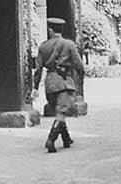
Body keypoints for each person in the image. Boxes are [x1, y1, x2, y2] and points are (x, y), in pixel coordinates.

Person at [32, 16, 84, 154]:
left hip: (50, 83)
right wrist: (80, 80)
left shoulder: (43, 46)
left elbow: (38, 70)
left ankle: (66, 139)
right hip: (64, 82)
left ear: (50, 30)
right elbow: (79, 65)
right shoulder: (69, 45)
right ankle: (51, 140)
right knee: (61, 113)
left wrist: (35, 88)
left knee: (59, 111)